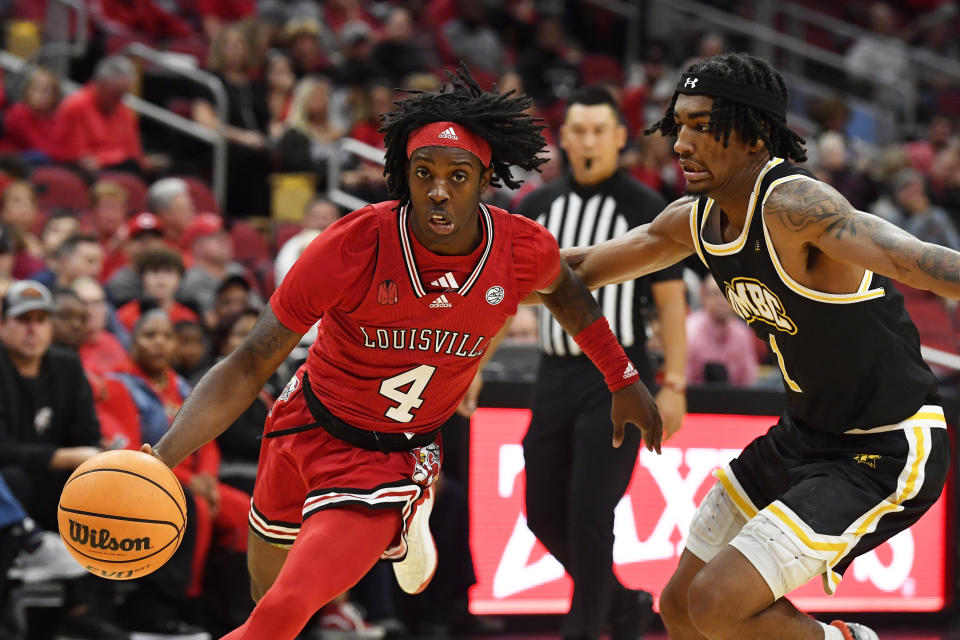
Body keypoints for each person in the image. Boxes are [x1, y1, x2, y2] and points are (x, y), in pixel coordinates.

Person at [142, 66, 663, 640]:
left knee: (279, 615)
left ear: (485, 177)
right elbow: (247, 363)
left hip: (386, 456)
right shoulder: (351, 243)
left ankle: (404, 507)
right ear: (403, 176)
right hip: (302, 422)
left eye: (458, 175)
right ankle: (403, 522)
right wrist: (160, 458)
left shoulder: (518, 248)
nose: (439, 190)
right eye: (424, 173)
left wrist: (623, 378)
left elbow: (570, 293)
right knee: (267, 597)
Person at [565, 51, 952, 640]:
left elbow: (918, 262)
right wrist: (470, 266)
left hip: (883, 446)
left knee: (720, 602)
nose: (681, 143)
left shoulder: (796, 208)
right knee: (680, 607)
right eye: (680, 125)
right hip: (803, 436)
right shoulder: (692, 219)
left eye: (701, 126)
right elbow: (582, 269)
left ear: (751, 137)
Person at [516, 85, 686, 640]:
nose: (587, 141)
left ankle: (586, 627)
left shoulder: (641, 205)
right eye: (578, 131)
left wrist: (676, 383)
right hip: (553, 374)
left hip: (617, 378)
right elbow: (502, 295)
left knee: (591, 510)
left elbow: (669, 296)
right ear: (562, 138)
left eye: (598, 131)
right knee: (542, 511)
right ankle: (622, 604)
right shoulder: (538, 207)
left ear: (619, 137)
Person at [685, 276, 759, 386]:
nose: (721, 301)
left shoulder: (742, 333)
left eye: (726, 295)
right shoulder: (690, 331)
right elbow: (684, 381)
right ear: (703, 295)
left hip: (735, 400)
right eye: (715, 294)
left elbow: (749, 381)